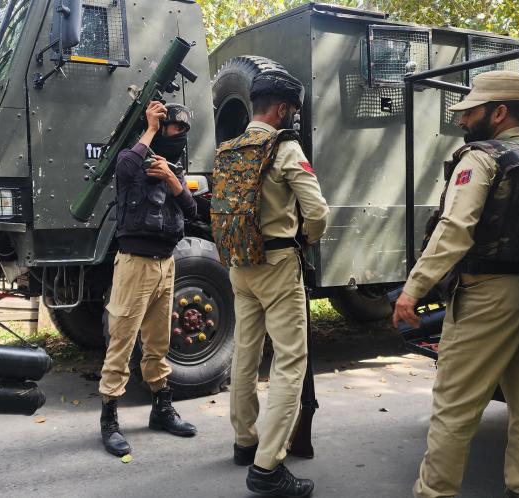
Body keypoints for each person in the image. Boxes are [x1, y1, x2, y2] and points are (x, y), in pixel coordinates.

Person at [392, 70, 519, 498]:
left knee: (454, 406)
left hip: (487, 294)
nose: (463, 121)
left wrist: (413, 289)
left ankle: (435, 493)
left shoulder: (482, 157)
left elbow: (454, 230)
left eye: (471, 112)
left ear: (498, 112)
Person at [212, 68, 329, 498]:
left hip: (239, 263)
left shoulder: (229, 148)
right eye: (293, 110)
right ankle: (267, 466)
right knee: (289, 361)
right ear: (282, 109)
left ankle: (245, 440)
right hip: (278, 262)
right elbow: (317, 211)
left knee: (245, 352)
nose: (293, 117)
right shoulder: (285, 147)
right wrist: (308, 241)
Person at [98, 101, 198, 457]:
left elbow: (190, 209)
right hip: (134, 264)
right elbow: (123, 170)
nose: (179, 135)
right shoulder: (133, 156)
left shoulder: (176, 169)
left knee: (158, 342)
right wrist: (151, 128)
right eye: (173, 128)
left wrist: (172, 179)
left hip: (166, 263)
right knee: (122, 339)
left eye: (182, 130)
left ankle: (162, 407)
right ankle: (109, 417)